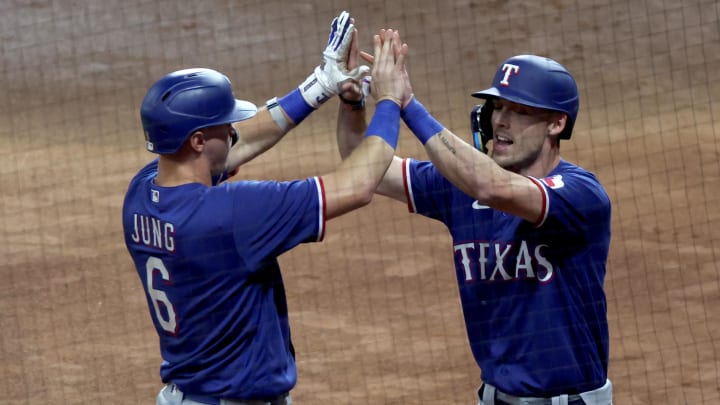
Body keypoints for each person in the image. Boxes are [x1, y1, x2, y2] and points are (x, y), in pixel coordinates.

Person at [122, 10, 409, 404]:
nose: (234, 130)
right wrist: (390, 101)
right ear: (199, 141)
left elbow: (242, 143)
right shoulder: (234, 213)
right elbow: (357, 187)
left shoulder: (141, 193)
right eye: (226, 125)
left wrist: (321, 85)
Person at [338, 47, 613, 404]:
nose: (501, 120)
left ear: (556, 124)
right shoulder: (460, 188)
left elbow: (495, 188)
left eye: (520, 111)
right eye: (498, 107)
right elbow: (363, 166)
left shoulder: (580, 194)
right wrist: (352, 102)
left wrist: (407, 104)